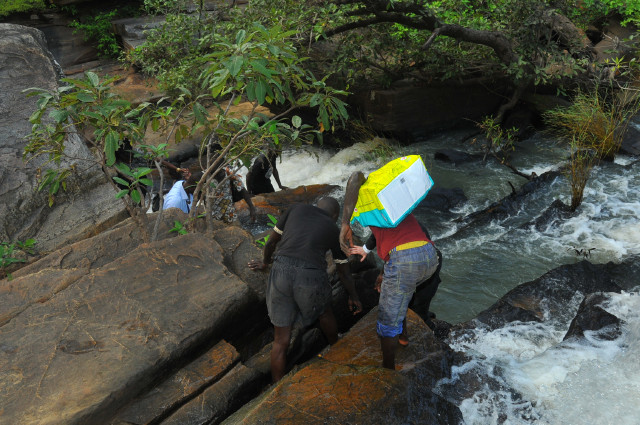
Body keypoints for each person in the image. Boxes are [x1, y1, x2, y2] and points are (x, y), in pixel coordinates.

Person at [248, 197, 363, 382]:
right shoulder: (334, 230)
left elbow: (271, 243)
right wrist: (354, 296)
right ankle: (336, 346)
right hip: (310, 276)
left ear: (317, 206)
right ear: (334, 216)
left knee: (281, 341)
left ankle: (277, 387)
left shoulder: (295, 209)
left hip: (281, 271)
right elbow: (343, 271)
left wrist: (265, 263)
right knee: (324, 312)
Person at [340, 171, 439, 370]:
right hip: (430, 256)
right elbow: (386, 238)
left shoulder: (369, 204)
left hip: (405, 260)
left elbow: (355, 177)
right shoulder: (394, 203)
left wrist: (345, 223)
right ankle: (403, 336)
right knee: (403, 293)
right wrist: (384, 273)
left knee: (386, 322)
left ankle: (388, 370)